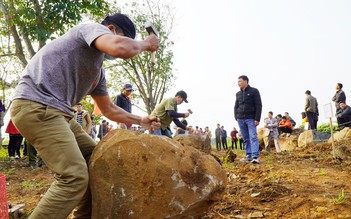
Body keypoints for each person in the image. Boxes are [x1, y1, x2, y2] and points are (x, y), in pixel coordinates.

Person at [9, 13, 160, 219]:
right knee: (74, 177)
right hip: (36, 105)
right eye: (126, 39)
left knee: (95, 159)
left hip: (59, 113)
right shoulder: (89, 30)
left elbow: (109, 109)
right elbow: (119, 48)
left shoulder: (98, 72)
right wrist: (145, 43)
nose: (120, 50)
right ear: (111, 30)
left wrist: (141, 120)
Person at [234, 75, 262, 164]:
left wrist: (257, 118)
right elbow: (236, 106)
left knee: (253, 137)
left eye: (240, 81)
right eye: (238, 82)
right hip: (240, 119)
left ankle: (255, 156)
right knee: (246, 138)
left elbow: (259, 105)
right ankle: (248, 155)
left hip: (251, 118)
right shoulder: (238, 94)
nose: (238, 83)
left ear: (246, 81)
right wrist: (236, 116)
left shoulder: (254, 91)